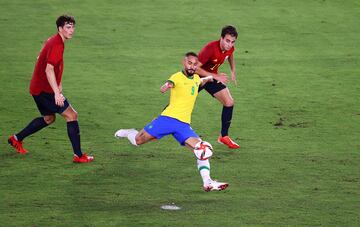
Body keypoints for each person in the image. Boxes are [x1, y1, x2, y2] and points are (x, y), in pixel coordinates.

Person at [115, 52, 229, 192]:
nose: (192, 66)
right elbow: (168, 84)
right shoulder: (176, 77)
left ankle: (208, 182)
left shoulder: (196, 80)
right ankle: (129, 132)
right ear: (184, 62)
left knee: (201, 149)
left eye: (194, 64)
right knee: (138, 141)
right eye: (189, 63)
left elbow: (201, 81)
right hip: (167, 120)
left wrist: (211, 78)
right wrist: (166, 86)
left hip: (183, 125)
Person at [8, 15, 94, 163]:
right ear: (60, 28)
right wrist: (56, 93)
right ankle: (78, 156)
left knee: (49, 118)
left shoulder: (52, 40)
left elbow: (40, 57)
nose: (71, 30)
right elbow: (49, 69)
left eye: (73, 26)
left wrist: (57, 81)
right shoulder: (57, 45)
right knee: (72, 115)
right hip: (45, 90)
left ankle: (16, 139)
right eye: (68, 27)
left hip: (37, 88)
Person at [196, 25, 240, 149]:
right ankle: (159, 122)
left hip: (212, 78)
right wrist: (215, 76)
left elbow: (230, 54)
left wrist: (233, 70)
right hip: (196, 78)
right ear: (221, 38)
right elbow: (195, 68)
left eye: (232, 42)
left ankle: (223, 136)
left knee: (229, 102)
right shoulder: (210, 49)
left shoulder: (230, 48)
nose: (229, 45)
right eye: (227, 41)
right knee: (179, 103)